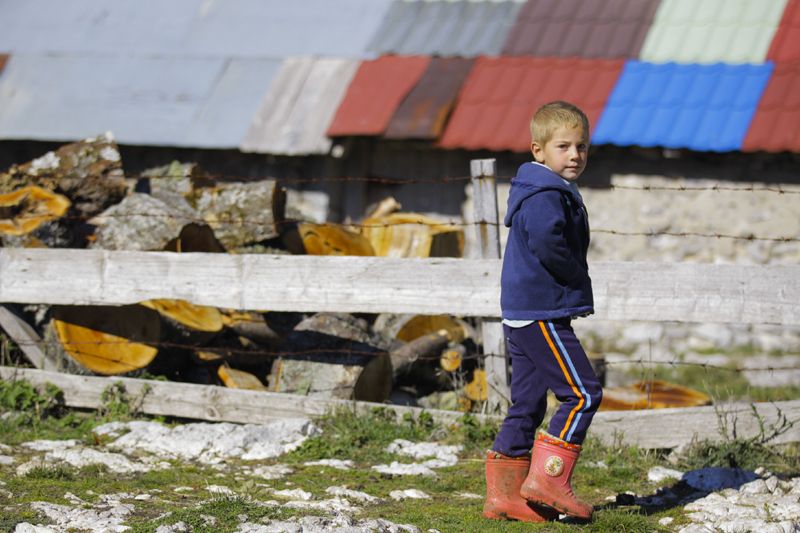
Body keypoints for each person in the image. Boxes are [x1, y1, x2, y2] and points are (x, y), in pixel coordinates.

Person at [483, 101, 603, 523]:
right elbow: (549, 242)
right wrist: (574, 276)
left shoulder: (538, 188)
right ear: (538, 151)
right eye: (564, 146)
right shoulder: (546, 194)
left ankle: (506, 495)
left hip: (523, 310)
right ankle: (549, 479)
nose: (575, 155)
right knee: (583, 393)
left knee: (528, 403)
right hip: (541, 311)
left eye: (582, 147)